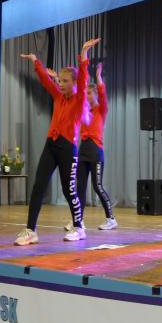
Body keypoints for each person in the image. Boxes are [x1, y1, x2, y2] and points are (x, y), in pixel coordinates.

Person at [14, 38, 100, 245]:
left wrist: (84, 55)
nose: (60, 84)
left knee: (69, 190)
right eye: (59, 81)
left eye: (64, 81)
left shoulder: (79, 99)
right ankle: (31, 230)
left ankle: (79, 228)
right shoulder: (58, 96)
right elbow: (46, 81)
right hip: (51, 145)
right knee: (38, 186)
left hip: (67, 149)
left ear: (74, 83)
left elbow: (83, 78)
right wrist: (35, 61)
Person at [63, 62, 118, 231]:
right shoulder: (83, 110)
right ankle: (78, 220)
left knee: (97, 186)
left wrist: (98, 77)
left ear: (95, 94)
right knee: (80, 187)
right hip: (83, 150)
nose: (86, 96)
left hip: (95, 151)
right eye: (85, 93)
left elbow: (103, 93)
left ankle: (111, 219)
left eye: (89, 93)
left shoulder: (101, 109)